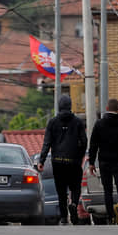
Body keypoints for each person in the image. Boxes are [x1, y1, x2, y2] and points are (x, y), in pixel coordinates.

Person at [37, 94, 87, 225]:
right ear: (70, 106)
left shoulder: (52, 122)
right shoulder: (78, 122)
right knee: (76, 187)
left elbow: (46, 143)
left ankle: (64, 217)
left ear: (59, 106)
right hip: (74, 161)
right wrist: (79, 156)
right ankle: (74, 204)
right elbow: (84, 141)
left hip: (58, 161)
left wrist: (41, 161)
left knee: (61, 190)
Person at [88, 98, 118, 225]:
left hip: (104, 162)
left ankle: (111, 217)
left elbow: (93, 145)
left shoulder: (99, 124)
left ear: (107, 108)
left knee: (107, 190)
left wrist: (91, 163)